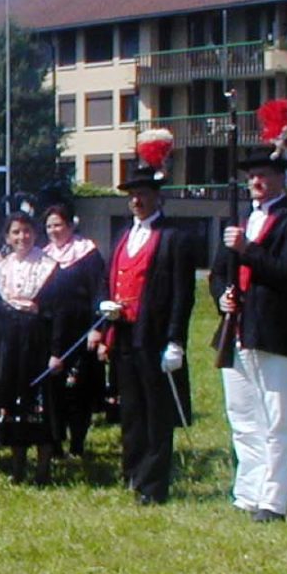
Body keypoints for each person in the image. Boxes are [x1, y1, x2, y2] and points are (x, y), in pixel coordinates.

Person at [209, 144, 287, 522]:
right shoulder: (240, 220)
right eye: (252, 175)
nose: (256, 181)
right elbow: (218, 272)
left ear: (280, 178)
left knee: (276, 419)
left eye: (263, 175)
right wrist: (222, 296)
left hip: (275, 331)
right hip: (238, 329)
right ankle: (248, 491)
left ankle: (273, 499)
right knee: (242, 416)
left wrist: (248, 248)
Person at [89, 139, 198, 505]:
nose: (137, 200)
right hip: (124, 335)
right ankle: (133, 473)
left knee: (156, 412)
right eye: (133, 195)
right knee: (131, 410)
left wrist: (176, 340)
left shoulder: (173, 238)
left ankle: (154, 484)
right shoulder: (123, 236)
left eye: (144, 194)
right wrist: (104, 313)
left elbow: (183, 294)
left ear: (157, 197)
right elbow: (110, 279)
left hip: (154, 335)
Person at [0, 211, 58, 483]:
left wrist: (55, 350)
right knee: (14, 403)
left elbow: (59, 312)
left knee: (41, 403)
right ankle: (17, 468)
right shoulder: (1, 268)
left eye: (27, 231)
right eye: (15, 232)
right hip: (10, 344)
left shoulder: (50, 267)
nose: (22, 237)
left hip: (39, 342)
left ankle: (43, 470)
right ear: (7, 237)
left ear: (35, 234)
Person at [40, 204, 106, 458]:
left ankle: (77, 443)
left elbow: (99, 291)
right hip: (52, 333)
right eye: (49, 226)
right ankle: (55, 442)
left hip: (80, 330)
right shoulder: (44, 256)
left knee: (79, 389)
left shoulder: (87, 253)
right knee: (52, 389)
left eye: (58, 225)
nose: (53, 230)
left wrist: (97, 327)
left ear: (70, 225)